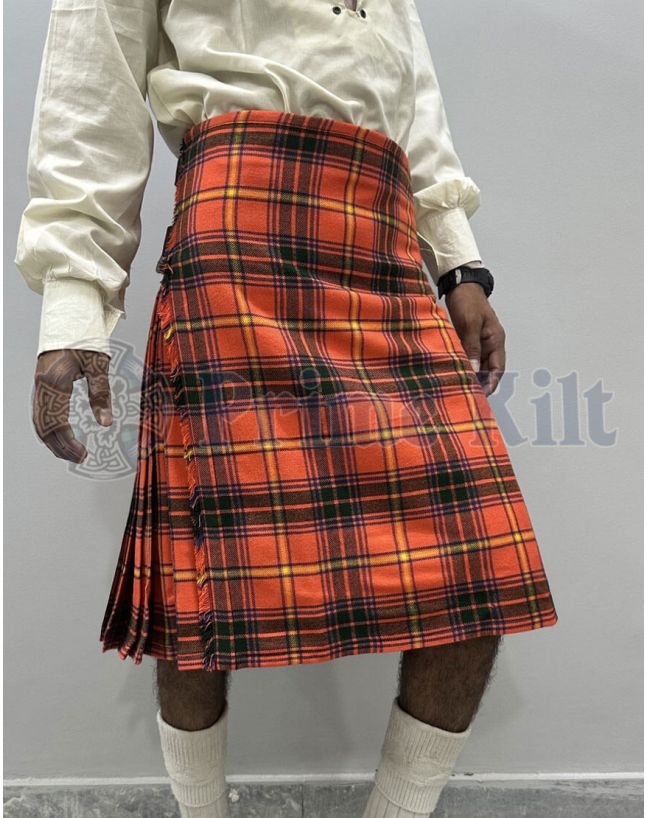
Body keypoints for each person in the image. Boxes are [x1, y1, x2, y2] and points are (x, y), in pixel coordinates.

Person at [15, 0, 559, 815]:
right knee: (200, 588)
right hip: (238, 223)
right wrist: (72, 308)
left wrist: (458, 266)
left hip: (382, 235)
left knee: (478, 569)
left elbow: (410, 91)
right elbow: (92, 91)